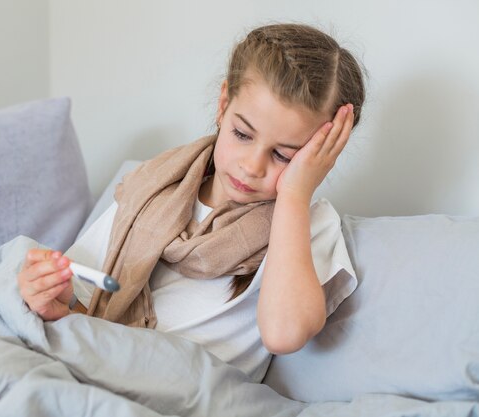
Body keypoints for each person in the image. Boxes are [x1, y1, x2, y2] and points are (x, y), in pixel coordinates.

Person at [18, 23, 365, 382]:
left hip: (178, 389)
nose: (252, 166)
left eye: (284, 155)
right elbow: (86, 316)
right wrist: (55, 303)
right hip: (97, 367)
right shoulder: (155, 186)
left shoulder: (308, 223)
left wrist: (294, 195)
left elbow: (283, 333)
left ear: (323, 157)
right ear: (223, 105)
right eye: (242, 134)